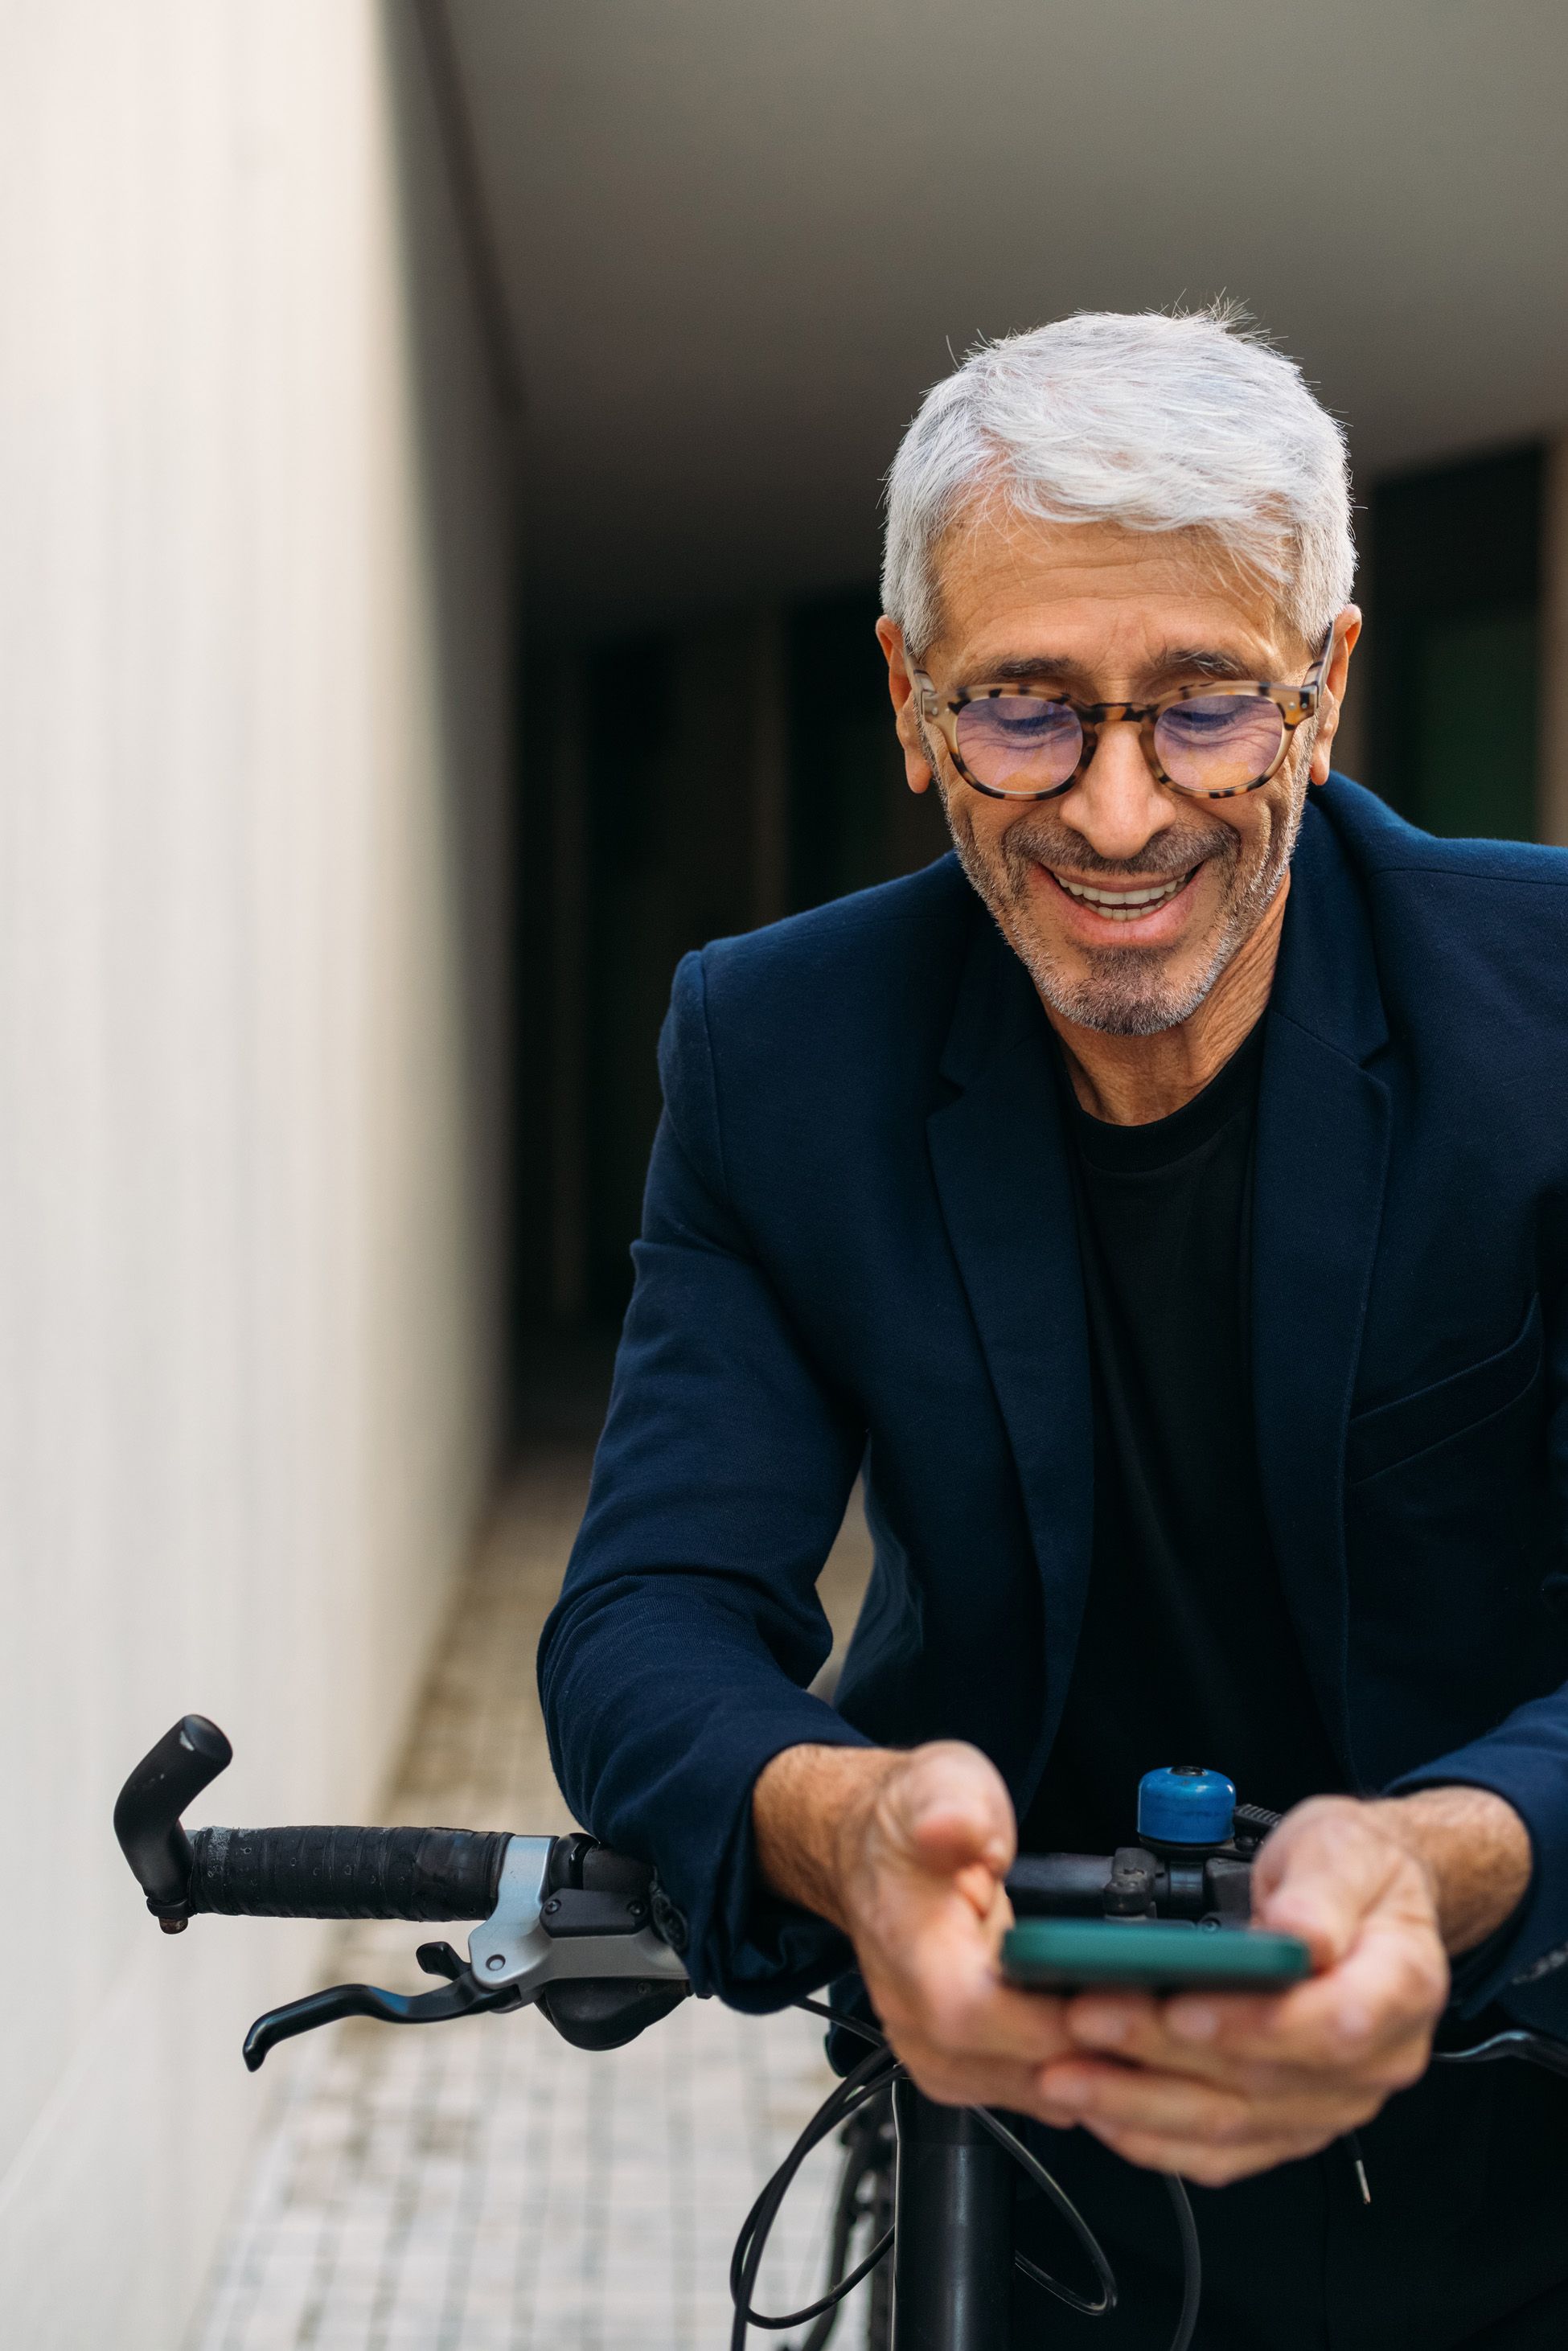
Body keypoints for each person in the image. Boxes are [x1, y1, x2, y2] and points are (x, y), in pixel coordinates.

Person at [540, 308, 1568, 2347]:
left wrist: (1452, 1856)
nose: (1115, 815)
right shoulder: (773, 1047)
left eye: (1205, 707)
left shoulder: (1551, 1015)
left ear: (1326, 695)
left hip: (1526, 2142)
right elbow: (644, 1607)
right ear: (910, 703)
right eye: (1026, 707)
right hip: (1018, 2175)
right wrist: (842, 1823)